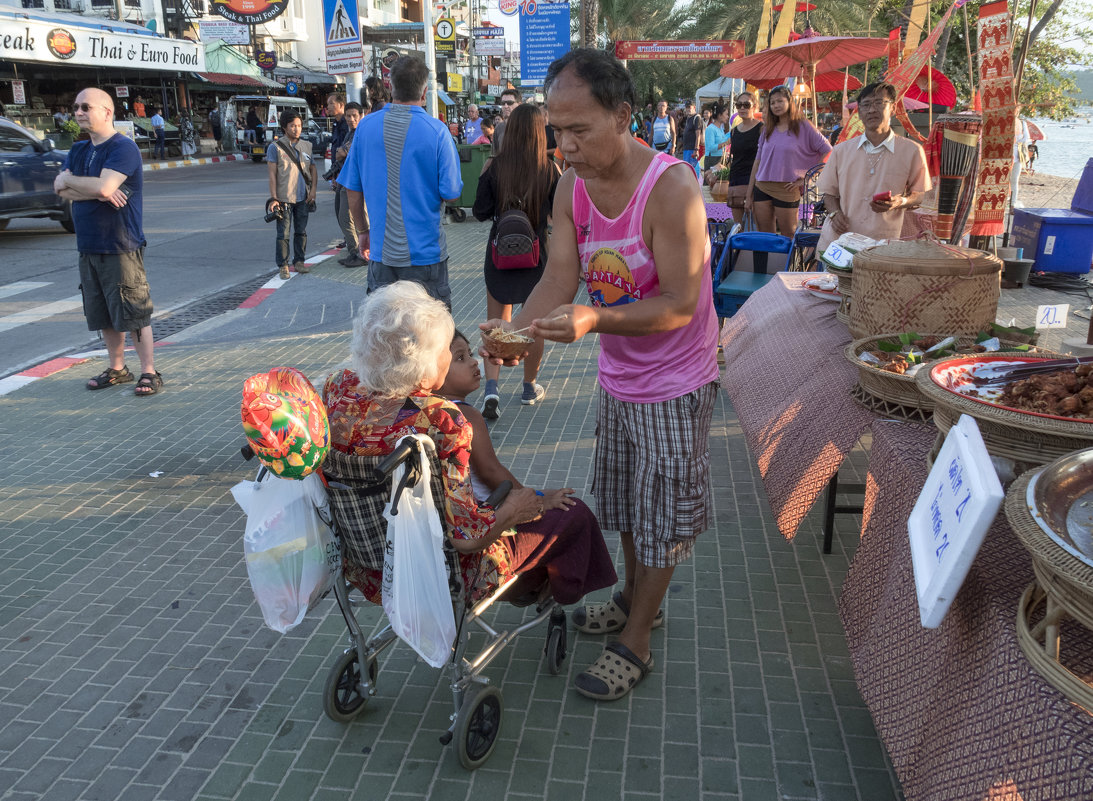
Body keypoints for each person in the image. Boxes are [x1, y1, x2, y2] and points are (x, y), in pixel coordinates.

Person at [480, 49, 719, 702]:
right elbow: (559, 277)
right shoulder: (570, 187)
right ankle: (631, 598)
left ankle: (636, 638)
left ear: (622, 116)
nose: (563, 146)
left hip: (676, 383)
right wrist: (518, 334)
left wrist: (591, 322)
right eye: (556, 130)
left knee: (661, 516)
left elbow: (677, 304)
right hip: (619, 379)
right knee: (625, 505)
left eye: (578, 130)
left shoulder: (671, 190)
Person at [323, 282, 617, 607]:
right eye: (445, 352)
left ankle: (536, 582)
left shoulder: (340, 391)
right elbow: (468, 538)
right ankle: (549, 590)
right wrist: (516, 508)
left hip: (370, 569)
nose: (450, 357)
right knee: (572, 514)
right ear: (422, 364)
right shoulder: (441, 420)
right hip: (442, 572)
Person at [53, 88, 162, 397]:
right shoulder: (78, 149)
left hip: (120, 244)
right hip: (88, 245)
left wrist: (77, 183)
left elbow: (101, 186)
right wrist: (90, 187)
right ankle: (117, 368)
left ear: (107, 112)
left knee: (134, 311)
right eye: (75, 107)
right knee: (102, 312)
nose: (78, 112)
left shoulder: (123, 148)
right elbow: (61, 190)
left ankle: (149, 372)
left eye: (85, 107)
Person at [340, 56, 462, 306]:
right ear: (425, 91)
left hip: (382, 257)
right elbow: (451, 194)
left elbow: (352, 189)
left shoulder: (365, 128)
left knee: (384, 335)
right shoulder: (438, 132)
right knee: (431, 337)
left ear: (391, 87)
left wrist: (363, 231)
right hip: (426, 258)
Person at [473, 104, 561, 417]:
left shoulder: (496, 166)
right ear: (540, 133)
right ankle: (528, 386)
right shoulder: (549, 168)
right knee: (533, 323)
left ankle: (491, 390)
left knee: (495, 320)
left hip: (499, 254)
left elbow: (480, 212)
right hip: (537, 256)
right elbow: (561, 216)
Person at [817, 82, 930, 253]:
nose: (871, 110)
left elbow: (920, 195)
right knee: (836, 280)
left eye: (879, 103)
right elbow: (829, 193)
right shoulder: (841, 150)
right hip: (841, 238)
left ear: (893, 108)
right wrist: (834, 213)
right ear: (859, 113)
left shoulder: (912, 150)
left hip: (884, 240)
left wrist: (901, 201)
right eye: (866, 105)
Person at [745, 84, 832, 236]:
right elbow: (757, 162)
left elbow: (828, 151)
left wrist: (807, 179)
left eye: (780, 101)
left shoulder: (803, 126)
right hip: (762, 186)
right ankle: (764, 261)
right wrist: (748, 194)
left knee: (788, 235)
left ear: (790, 102)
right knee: (764, 236)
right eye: (772, 103)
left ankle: (790, 261)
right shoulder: (767, 129)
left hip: (787, 189)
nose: (776, 105)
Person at [267, 110, 317, 280]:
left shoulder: (307, 146)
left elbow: (313, 170)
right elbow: (272, 175)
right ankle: (283, 266)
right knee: (283, 234)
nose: (296, 129)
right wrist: (274, 198)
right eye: (292, 126)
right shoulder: (275, 148)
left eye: (299, 125)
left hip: (303, 197)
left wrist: (313, 191)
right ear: (284, 127)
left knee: (301, 231)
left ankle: (300, 261)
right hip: (284, 199)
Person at [331, 101, 368, 268]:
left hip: (356, 182)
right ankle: (354, 251)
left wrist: (342, 152)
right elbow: (339, 153)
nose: (351, 119)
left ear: (361, 116)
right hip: (345, 179)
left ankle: (358, 253)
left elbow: (341, 153)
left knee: (351, 218)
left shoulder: (360, 133)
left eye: (355, 116)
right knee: (344, 218)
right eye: (348, 116)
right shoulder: (349, 133)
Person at [725, 92, 762, 224]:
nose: (742, 108)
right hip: (736, 182)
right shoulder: (734, 131)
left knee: (755, 227)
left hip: (756, 183)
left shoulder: (761, 129)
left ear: (755, 107)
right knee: (738, 226)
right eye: (738, 105)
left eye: (746, 105)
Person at [679, 100, 705, 179]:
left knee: (693, 171)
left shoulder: (697, 118)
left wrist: (696, 149)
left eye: (689, 107)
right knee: (687, 171)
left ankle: (695, 187)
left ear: (694, 107)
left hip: (692, 149)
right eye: (686, 107)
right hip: (687, 148)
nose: (687, 109)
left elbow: (698, 135)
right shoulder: (688, 118)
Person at [492, 87, 521, 155]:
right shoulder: (498, 128)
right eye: (503, 103)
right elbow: (494, 154)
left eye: (509, 103)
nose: (506, 106)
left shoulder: (527, 126)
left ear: (519, 105)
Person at [704, 102, 731, 170]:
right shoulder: (711, 129)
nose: (728, 117)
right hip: (712, 159)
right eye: (726, 114)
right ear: (720, 115)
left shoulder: (721, 128)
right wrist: (726, 143)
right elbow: (711, 147)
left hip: (720, 158)